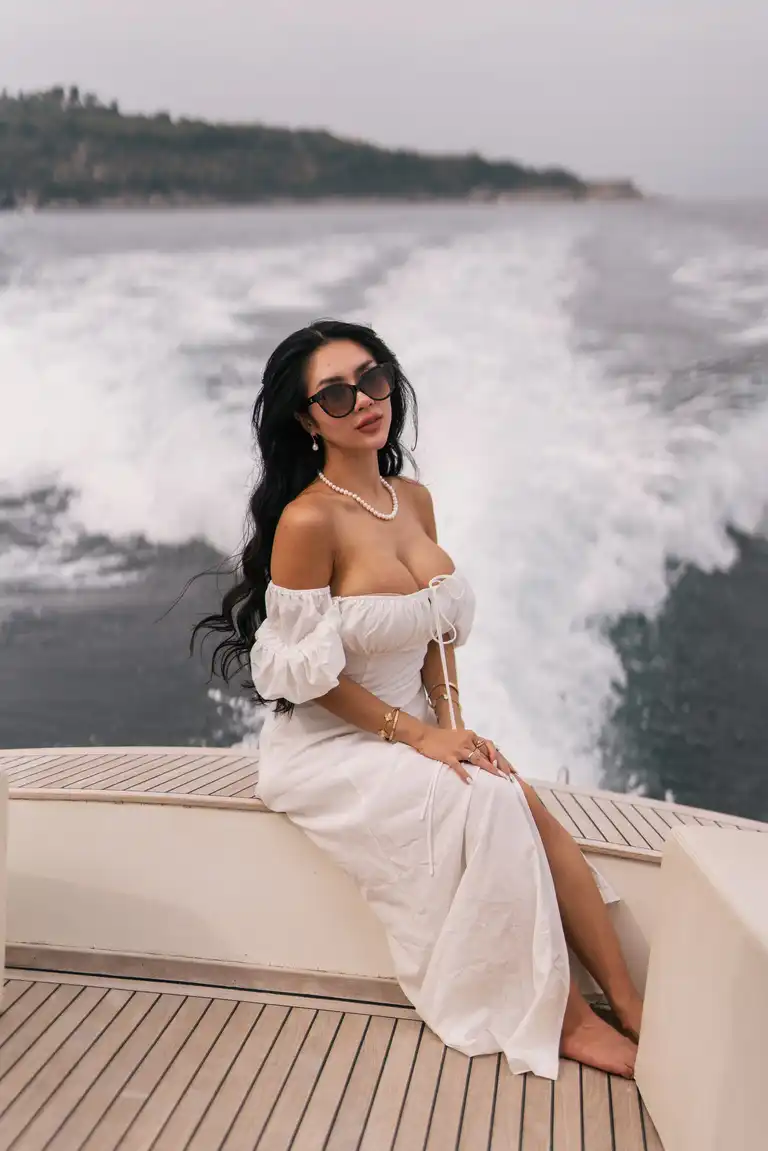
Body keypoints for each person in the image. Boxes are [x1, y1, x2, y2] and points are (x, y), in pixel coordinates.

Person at [193, 319, 642, 1080]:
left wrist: (453, 727)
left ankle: (630, 1006)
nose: (365, 401)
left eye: (373, 378)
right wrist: (416, 735)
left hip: (415, 729)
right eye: (335, 394)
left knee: (519, 799)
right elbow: (309, 678)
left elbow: (436, 633)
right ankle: (566, 1021)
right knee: (492, 806)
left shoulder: (414, 499)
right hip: (332, 745)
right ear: (307, 420)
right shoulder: (308, 520)